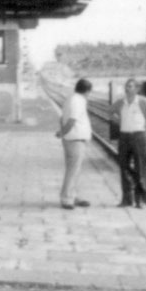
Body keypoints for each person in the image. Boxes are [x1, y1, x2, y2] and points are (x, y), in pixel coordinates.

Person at [110, 78, 146, 208]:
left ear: (137, 89)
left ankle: (140, 200)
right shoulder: (120, 102)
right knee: (123, 166)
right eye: (126, 86)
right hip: (124, 136)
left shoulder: (143, 102)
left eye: (130, 86)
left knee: (140, 168)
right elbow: (110, 112)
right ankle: (126, 199)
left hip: (139, 136)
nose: (127, 88)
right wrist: (119, 122)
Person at [55, 78, 93, 210]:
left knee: (75, 170)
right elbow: (72, 120)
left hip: (74, 139)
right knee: (73, 170)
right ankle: (66, 198)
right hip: (75, 140)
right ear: (88, 91)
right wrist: (63, 132)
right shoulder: (78, 101)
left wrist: (63, 133)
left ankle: (73, 195)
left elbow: (62, 118)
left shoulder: (71, 98)